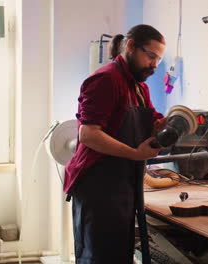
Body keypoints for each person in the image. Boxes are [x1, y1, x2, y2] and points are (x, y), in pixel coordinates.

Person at [64, 24, 167, 264]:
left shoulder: (139, 87)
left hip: (122, 183)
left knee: (119, 256)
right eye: (151, 56)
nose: (154, 64)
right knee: (99, 257)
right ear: (131, 46)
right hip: (97, 185)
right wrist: (134, 153)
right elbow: (88, 134)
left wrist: (163, 125)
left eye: (158, 60)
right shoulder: (105, 80)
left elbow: (148, 123)